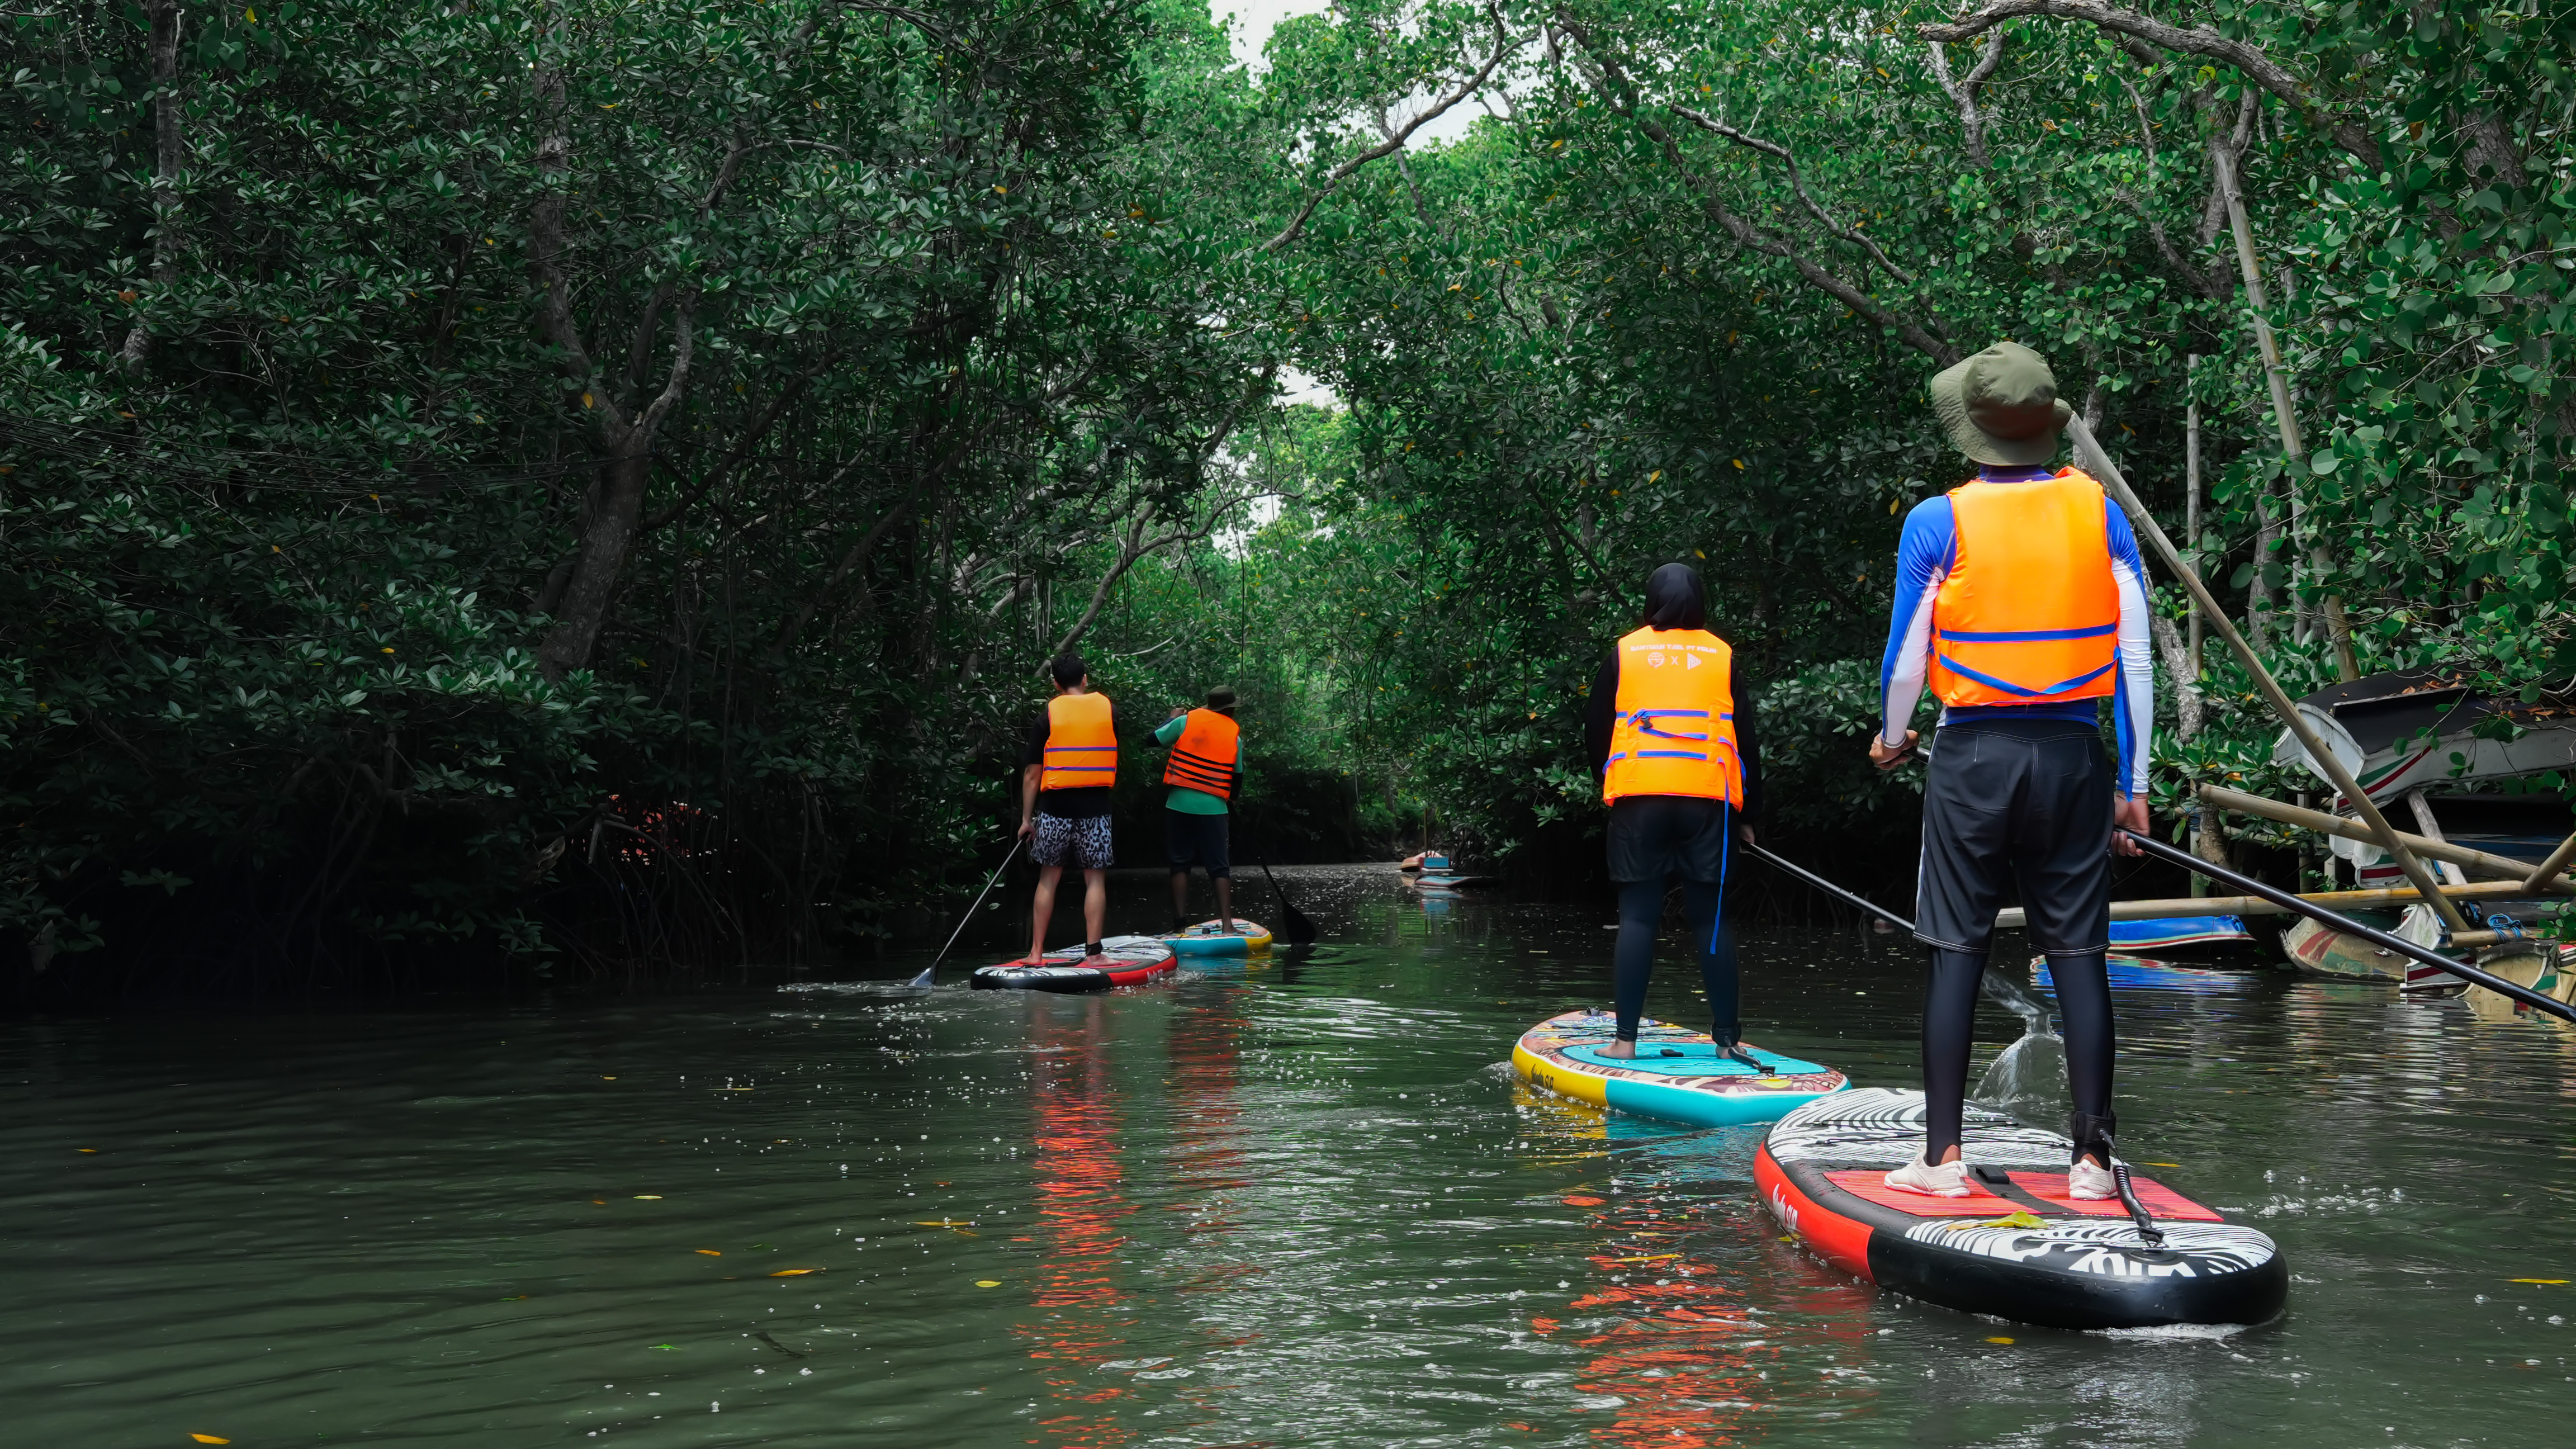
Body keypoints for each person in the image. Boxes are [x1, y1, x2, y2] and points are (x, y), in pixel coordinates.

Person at [1868, 341, 2153, 1199]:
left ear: (1977, 433)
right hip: (2073, 758)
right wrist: (2135, 789)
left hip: (1973, 755)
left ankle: (1942, 1161)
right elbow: (2136, 656)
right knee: (2079, 954)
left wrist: (1892, 737)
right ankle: (2094, 1164)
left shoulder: (1936, 520)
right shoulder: (2099, 511)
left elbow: (1906, 661)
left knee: (1957, 949)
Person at [1583, 562, 1765, 1063]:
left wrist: (1615, 776)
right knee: (1712, 922)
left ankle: (1624, 1042)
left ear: (1652, 601)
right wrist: (1749, 813)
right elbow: (1746, 741)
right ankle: (1727, 1041)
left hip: (1639, 799)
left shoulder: (1625, 652)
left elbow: (1597, 728)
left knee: (1638, 919)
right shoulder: (1721, 655)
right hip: (1708, 802)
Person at [1017, 654, 1121, 966]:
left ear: (1055, 683)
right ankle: (1094, 954)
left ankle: (1036, 953)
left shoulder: (1046, 715)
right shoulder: (1109, 710)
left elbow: (1033, 774)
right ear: (1085, 679)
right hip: (1096, 806)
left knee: (1048, 879)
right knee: (1095, 880)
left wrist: (1026, 820)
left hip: (1055, 807)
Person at [1156, 686, 1241, 933]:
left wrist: (1171, 718)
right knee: (1219, 866)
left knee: (1180, 863)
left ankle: (1179, 924)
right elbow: (1238, 777)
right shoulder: (1234, 736)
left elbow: (1154, 738)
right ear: (1230, 710)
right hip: (1214, 808)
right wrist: (1232, 799)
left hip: (1178, 804)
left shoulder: (1184, 722)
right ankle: (1227, 925)